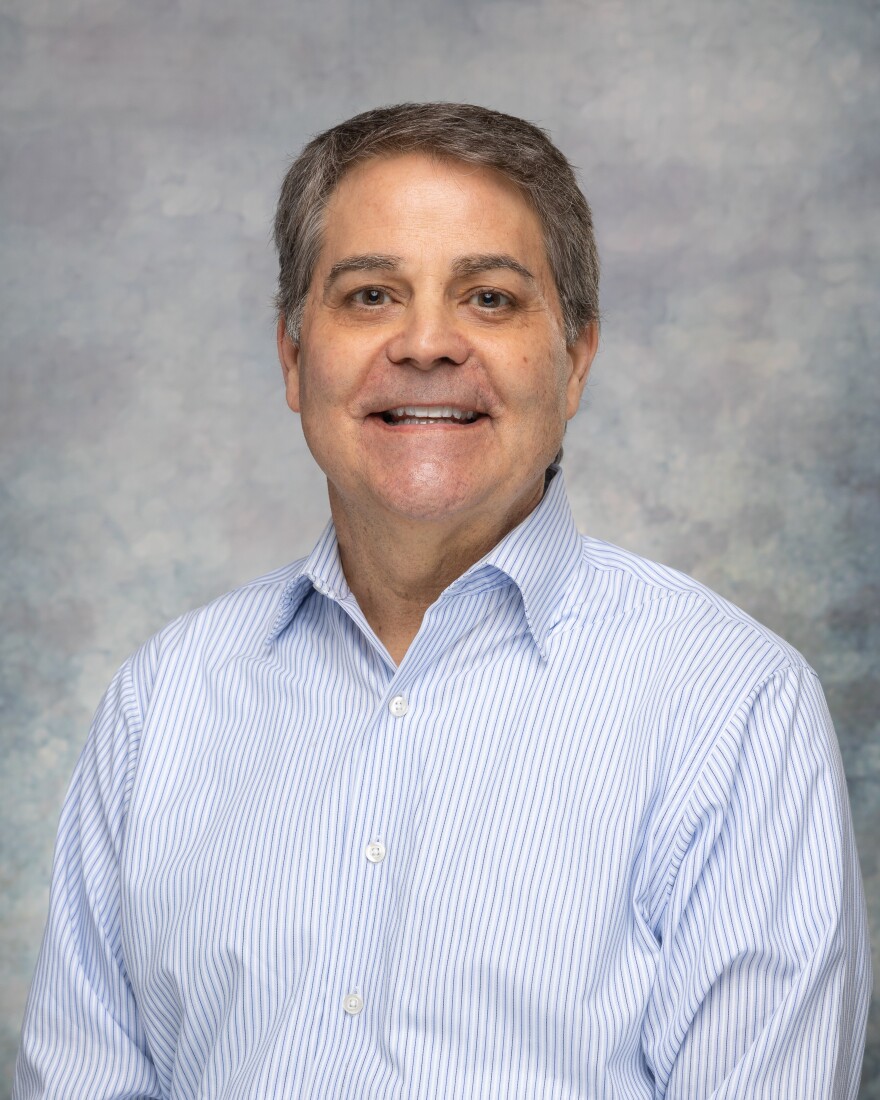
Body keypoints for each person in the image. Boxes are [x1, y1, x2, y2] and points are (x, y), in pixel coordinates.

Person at [14, 102, 870, 1099]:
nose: (426, 344)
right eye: (371, 294)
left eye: (491, 298)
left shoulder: (735, 706)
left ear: (576, 356)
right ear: (295, 357)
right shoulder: (162, 703)